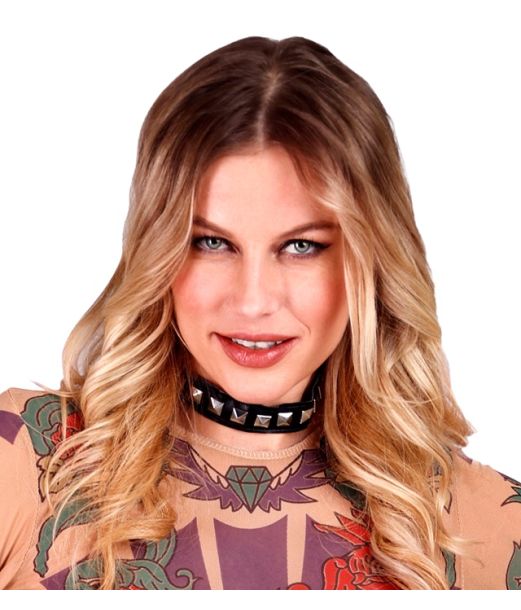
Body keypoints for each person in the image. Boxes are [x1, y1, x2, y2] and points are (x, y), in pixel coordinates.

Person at [0, 35, 519, 591]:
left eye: (302, 246)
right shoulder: (27, 463)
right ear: (158, 252)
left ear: (372, 259)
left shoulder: (488, 526)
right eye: (211, 242)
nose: (252, 301)